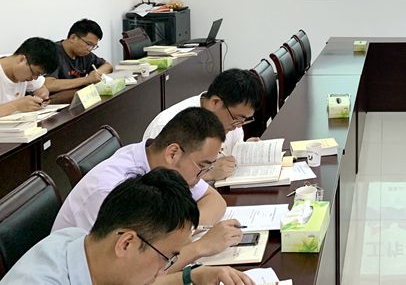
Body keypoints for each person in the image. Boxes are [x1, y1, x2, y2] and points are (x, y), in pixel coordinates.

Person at [52, 107, 243, 269]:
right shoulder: (113, 189)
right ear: (173, 153)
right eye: (202, 166)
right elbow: (133, 272)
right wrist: (200, 247)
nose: (203, 175)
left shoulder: (161, 163)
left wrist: (184, 232)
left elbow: (214, 200)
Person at [1, 168, 254, 285]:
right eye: (167, 258)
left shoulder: (84, 242)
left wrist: (194, 276)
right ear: (126, 243)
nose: (163, 271)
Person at [142, 69, 261, 182]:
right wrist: (208, 174)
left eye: (244, 120)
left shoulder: (230, 120)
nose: (238, 126)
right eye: (236, 118)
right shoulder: (167, 125)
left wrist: (243, 150)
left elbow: (229, 155)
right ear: (215, 102)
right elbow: (156, 181)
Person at [45, 18, 113, 94]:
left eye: (94, 46)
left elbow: (108, 66)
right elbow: (48, 85)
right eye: (89, 44)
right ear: (73, 38)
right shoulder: (52, 53)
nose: (90, 49)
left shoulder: (84, 53)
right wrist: (87, 80)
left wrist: (97, 73)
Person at [0, 37, 58, 118]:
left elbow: (41, 88)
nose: (34, 78)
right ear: (22, 59)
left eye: (39, 75)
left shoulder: (25, 68)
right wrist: (15, 106)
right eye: (34, 73)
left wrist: (42, 96)